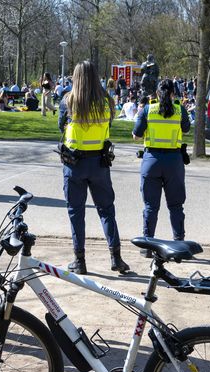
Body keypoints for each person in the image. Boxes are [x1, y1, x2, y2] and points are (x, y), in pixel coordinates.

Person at [58, 60, 130, 275]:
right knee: (107, 211)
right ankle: (116, 257)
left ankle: (79, 261)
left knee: (76, 213)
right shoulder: (106, 102)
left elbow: (60, 126)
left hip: (74, 165)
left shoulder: (68, 101)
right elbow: (108, 124)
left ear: (76, 77)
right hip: (99, 163)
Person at [132, 79, 191, 255]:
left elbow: (136, 135)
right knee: (176, 206)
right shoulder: (180, 110)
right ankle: (179, 242)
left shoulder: (148, 110)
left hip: (152, 161)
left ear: (157, 93)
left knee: (151, 206)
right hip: (174, 162)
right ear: (174, 93)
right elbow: (186, 130)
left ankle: (148, 246)